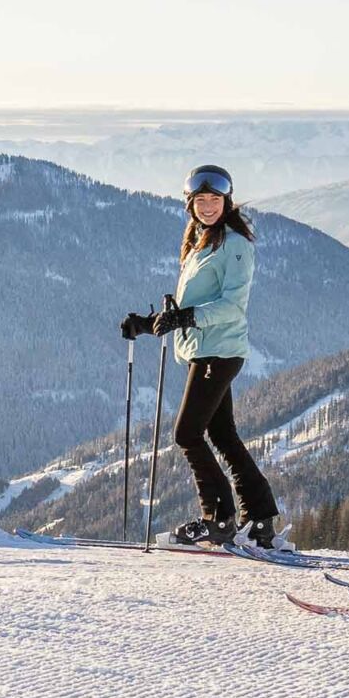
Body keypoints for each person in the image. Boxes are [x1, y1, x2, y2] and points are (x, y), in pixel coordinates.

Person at [119, 164, 281, 548]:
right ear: (190, 204)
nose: (208, 206)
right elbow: (191, 303)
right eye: (200, 200)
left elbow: (231, 306)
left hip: (219, 351)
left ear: (227, 201)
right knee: (222, 435)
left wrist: (186, 317)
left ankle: (219, 518)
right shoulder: (201, 239)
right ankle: (260, 517)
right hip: (204, 350)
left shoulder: (235, 244)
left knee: (187, 433)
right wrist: (148, 323)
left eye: (215, 199)